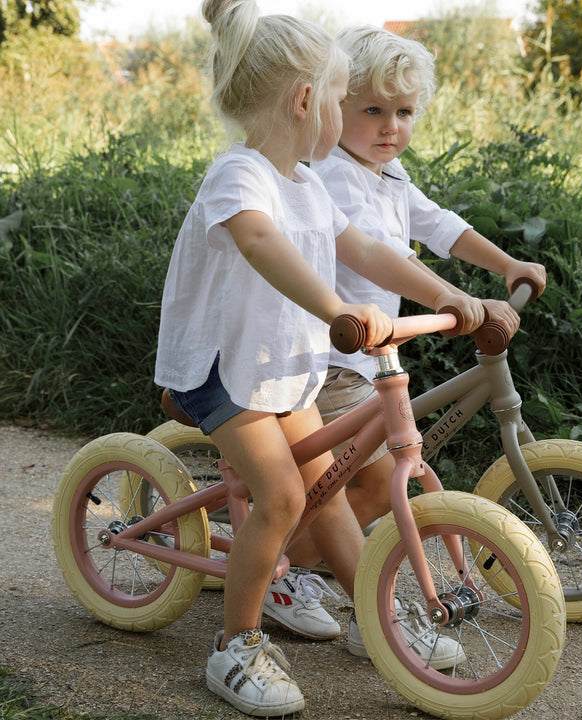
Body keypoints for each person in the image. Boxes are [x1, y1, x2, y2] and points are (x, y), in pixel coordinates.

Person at [154, 3, 487, 717]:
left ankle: (378, 617)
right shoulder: (240, 177)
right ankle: (236, 646)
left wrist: (446, 292)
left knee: (325, 488)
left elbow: (367, 249)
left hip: (278, 362)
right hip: (220, 366)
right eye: (341, 97)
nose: (340, 111)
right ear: (307, 100)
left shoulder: (306, 184)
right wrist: (337, 308)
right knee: (280, 497)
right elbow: (261, 245)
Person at [264, 25, 547, 656]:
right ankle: (307, 581)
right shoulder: (333, 175)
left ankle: (295, 566)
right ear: (335, 108)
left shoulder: (389, 174)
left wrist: (506, 265)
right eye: (372, 110)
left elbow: (438, 224)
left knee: (367, 479)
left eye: (404, 112)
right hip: (329, 361)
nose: (390, 126)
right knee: (358, 482)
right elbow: (373, 258)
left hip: (369, 361)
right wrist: (453, 297)